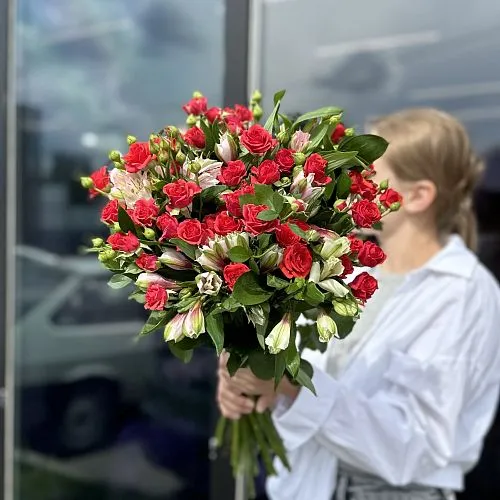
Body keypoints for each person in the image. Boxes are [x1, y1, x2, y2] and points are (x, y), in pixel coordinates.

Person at [217, 108, 500, 500]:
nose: (351, 184)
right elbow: (300, 377)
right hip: (308, 483)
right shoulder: (346, 273)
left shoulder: (462, 291)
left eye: (367, 173)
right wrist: (252, 382)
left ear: (417, 196)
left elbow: (417, 444)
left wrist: (289, 389)